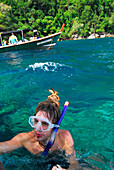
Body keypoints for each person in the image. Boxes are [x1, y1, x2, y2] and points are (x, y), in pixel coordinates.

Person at [0, 89, 76, 169]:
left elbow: (74, 165)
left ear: (54, 126)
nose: (38, 128)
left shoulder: (64, 138)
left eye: (45, 123)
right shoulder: (25, 139)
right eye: (36, 121)